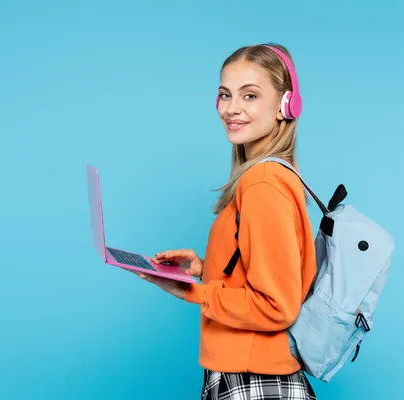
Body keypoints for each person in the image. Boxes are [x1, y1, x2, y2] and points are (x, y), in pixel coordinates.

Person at [134, 43, 318, 399]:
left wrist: (194, 292)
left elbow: (277, 306)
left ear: (286, 105)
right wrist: (208, 269)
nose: (231, 109)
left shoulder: (264, 184)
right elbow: (263, 276)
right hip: (244, 375)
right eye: (225, 95)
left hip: (255, 381)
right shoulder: (263, 179)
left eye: (250, 96)